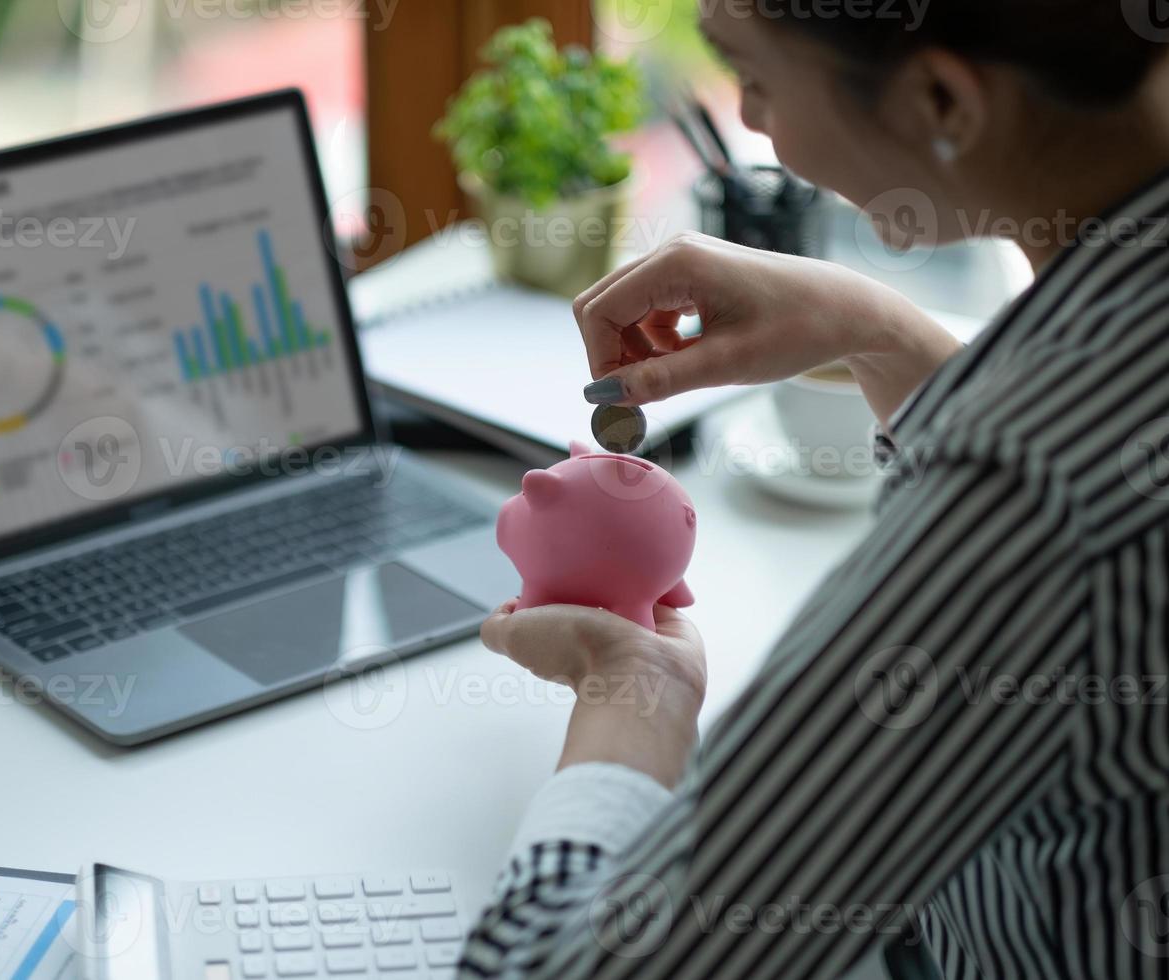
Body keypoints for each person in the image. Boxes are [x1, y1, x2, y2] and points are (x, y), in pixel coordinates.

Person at [458, 2, 1169, 978]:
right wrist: (884, 333)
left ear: (940, 98)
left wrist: (638, 705)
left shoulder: (1035, 496)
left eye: (753, 75)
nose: (748, 120)